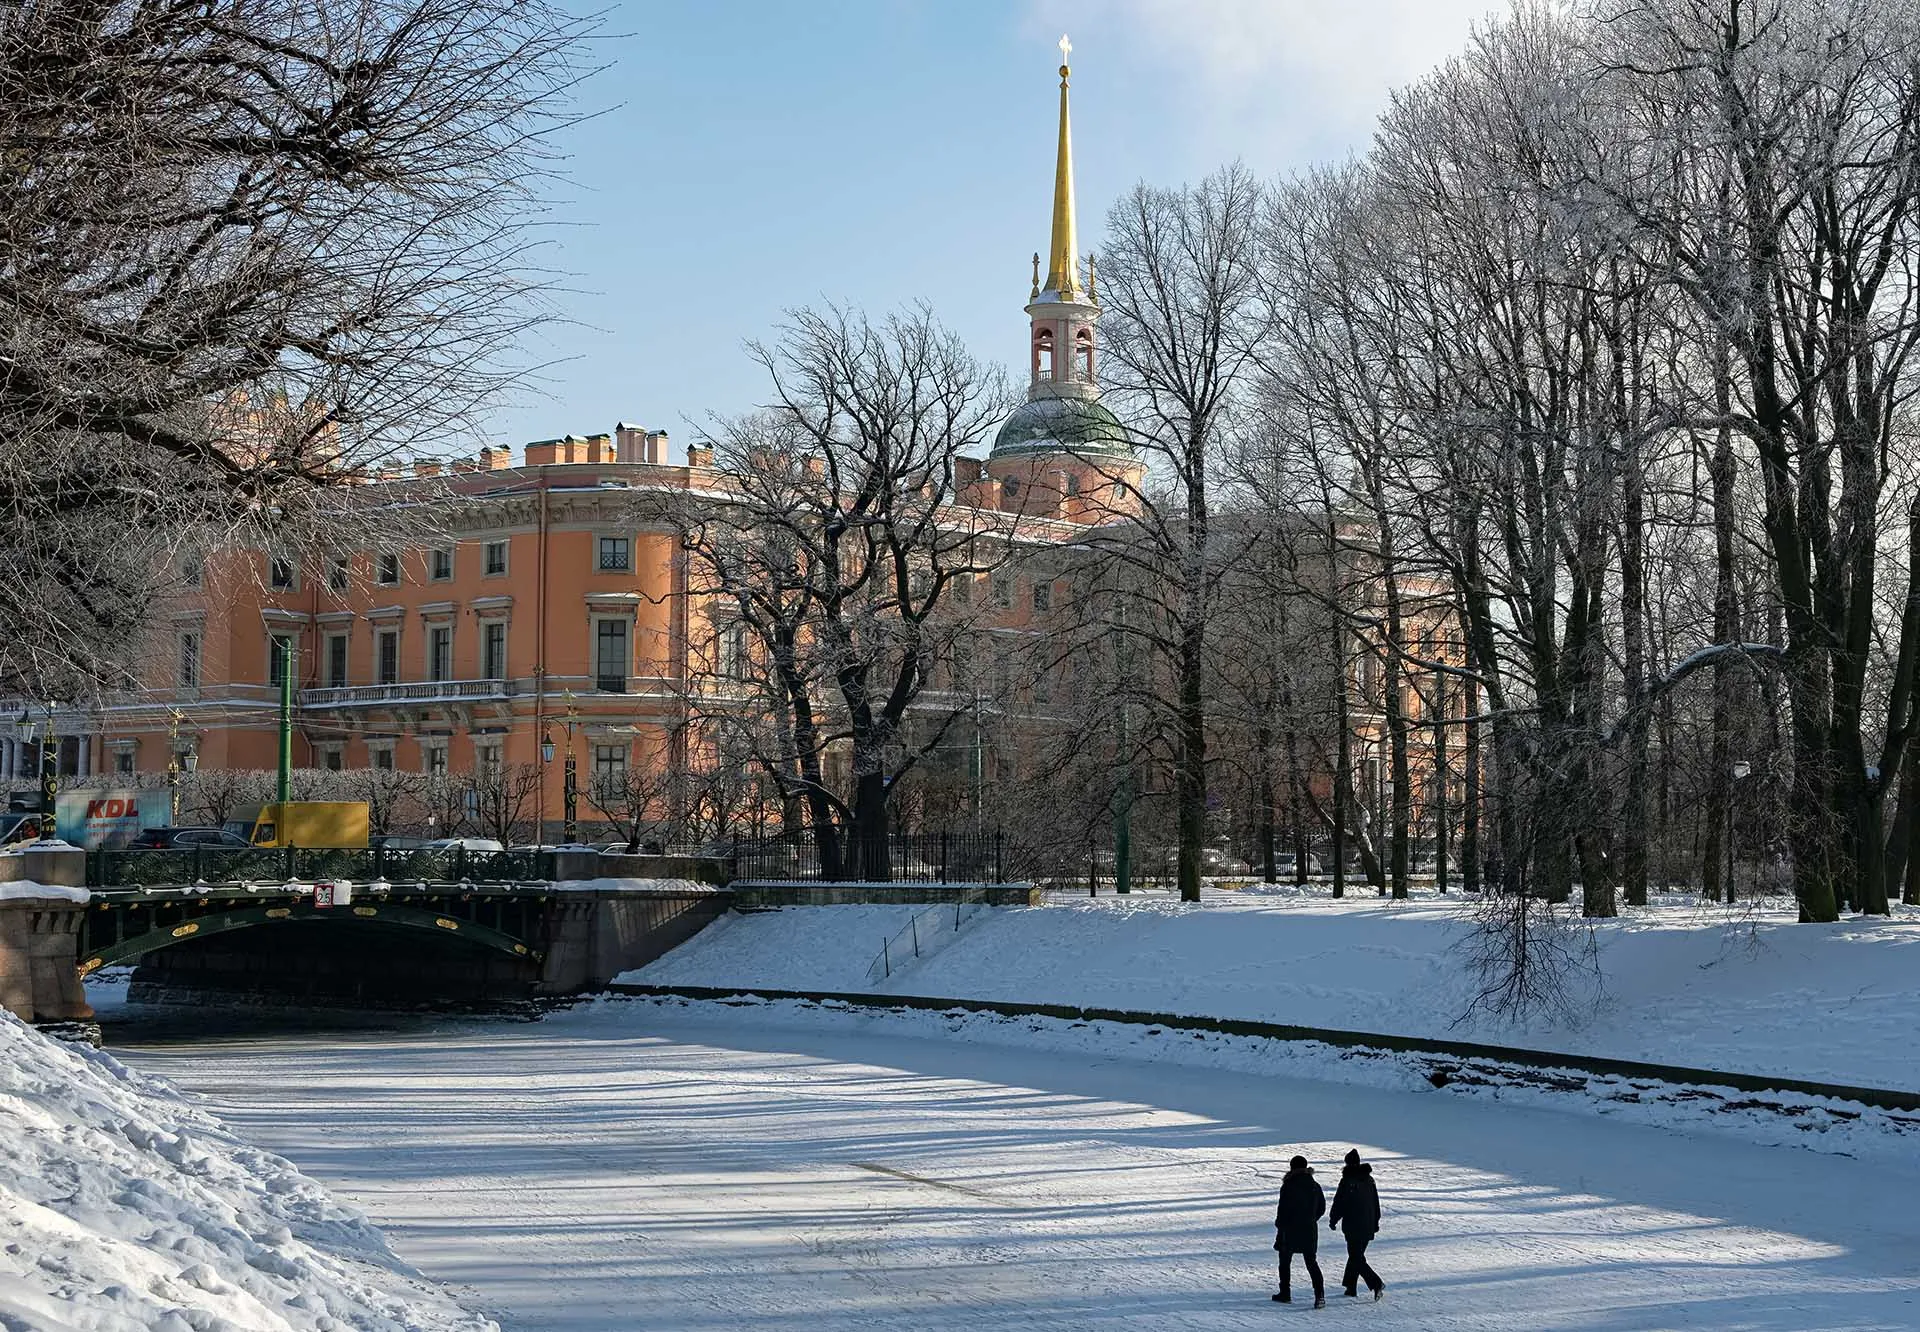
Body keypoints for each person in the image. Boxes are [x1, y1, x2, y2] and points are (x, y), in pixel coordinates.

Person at [1329, 1148, 1385, 1300]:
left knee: (1355, 1257)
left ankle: (1376, 1283)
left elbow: (1340, 1202)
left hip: (1353, 1225)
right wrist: (1376, 1221)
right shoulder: (1369, 1180)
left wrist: (1333, 1219)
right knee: (1356, 1255)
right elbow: (1375, 1202)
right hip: (1368, 1224)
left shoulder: (1347, 1181)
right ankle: (1350, 1287)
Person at [1271, 1154, 1326, 1306]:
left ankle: (1285, 1293)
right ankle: (1319, 1295)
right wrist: (1311, 1219)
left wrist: (1280, 1226)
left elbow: (1282, 1210)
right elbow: (1322, 1208)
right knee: (1311, 1262)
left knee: (1284, 1261)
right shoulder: (1315, 1185)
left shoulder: (1288, 1185)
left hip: (1290, 1230)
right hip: (1309, 1229)